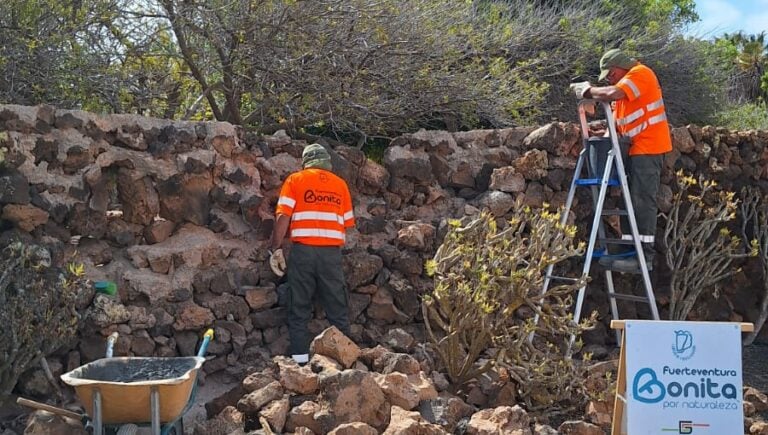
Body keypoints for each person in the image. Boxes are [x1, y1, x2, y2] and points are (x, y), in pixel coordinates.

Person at [570, 48, 672, 272]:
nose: (609, 77)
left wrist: (587, 91)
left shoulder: (640, 73)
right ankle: (628, 250)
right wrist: (602, 133)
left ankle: (643, 256)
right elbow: (619, 123)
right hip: (634, 148)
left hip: (649, 146)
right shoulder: (624, 91)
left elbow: (611, 94)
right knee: (630, 200)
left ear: (620, 66)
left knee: (643, 200)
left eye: (610, 73)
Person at [268, 143, 355, 363]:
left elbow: (283, 217)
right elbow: (347, 223)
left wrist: (275, 247)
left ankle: (299, 363)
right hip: (331, 255)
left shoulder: (296, 180)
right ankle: (345, 362)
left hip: (303, 252)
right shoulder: (340, 185)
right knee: (337, 308)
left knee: (299, 307)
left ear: (306, 163)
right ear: (327, 162)